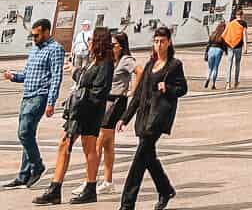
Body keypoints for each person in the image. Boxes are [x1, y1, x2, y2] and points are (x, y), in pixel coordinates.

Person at [33, 26, 114, 204]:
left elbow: (98, 90)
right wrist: (78, 71)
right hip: (80, 110)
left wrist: (76, 72)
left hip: (89, 112)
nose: (89, 42)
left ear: (99, 42)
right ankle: (55, 187)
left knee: (89, 147)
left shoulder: (106, 64)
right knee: (65, 144)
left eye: (92, 40)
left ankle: (90, 187)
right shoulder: (95, 60)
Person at [117, 27, 187, 210]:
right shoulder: (150, 65)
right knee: (148, 157)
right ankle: (165, 190)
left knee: (138, 161)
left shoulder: (174, 65)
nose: (159, 45)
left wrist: (168, 88)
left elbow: (182, 88)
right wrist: (125, 118)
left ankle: (127, 204)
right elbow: (139, 93)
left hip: (158, 118)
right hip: (144, 117)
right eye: (156, 41)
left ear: (169, 42)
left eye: (162, 41)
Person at [2, 17, 66, 191]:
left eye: (37, 35)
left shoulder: (55, 49)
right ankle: (24, 175)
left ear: (46, 32)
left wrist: (51, 102)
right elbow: (28, 74)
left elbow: (56, 77)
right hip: (27, 95)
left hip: (40, 96)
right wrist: (14, 76)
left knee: (23, 133)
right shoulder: (33, 50)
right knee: (28, 133)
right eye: (32, 35)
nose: (34, 38)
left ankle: (37, 165)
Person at [98, 33, 139, 196]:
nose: (110, 47)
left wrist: (132, 91)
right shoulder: (110, 61)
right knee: (108, 144)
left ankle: (91, 179)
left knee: (99, 140)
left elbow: (139, 71)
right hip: (106, 101)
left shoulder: (126, 60)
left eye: (113, 45)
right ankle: (107, 181)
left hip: (116, 102)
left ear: (120, 46)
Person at [221, 10, 246, 90]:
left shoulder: (231, 23)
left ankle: (228, 83)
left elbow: (224, 34)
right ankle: (236, 82)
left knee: (229, 64)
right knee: (237, 64)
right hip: (238, 46)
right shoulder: (243, 23)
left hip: (230, 46)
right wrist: (246, 46)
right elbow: (244, 35)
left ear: (236, 15)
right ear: (242, 15)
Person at [202, 19, 226, 90]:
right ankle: (213, 84)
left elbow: (208, 44)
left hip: (211, 50)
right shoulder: (222, 35)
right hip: (218, 50)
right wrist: (226, 51)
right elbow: (224, 45)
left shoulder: (213, 34)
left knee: (210, 68)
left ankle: (208, 78)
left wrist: (206, 53)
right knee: (215, 68)